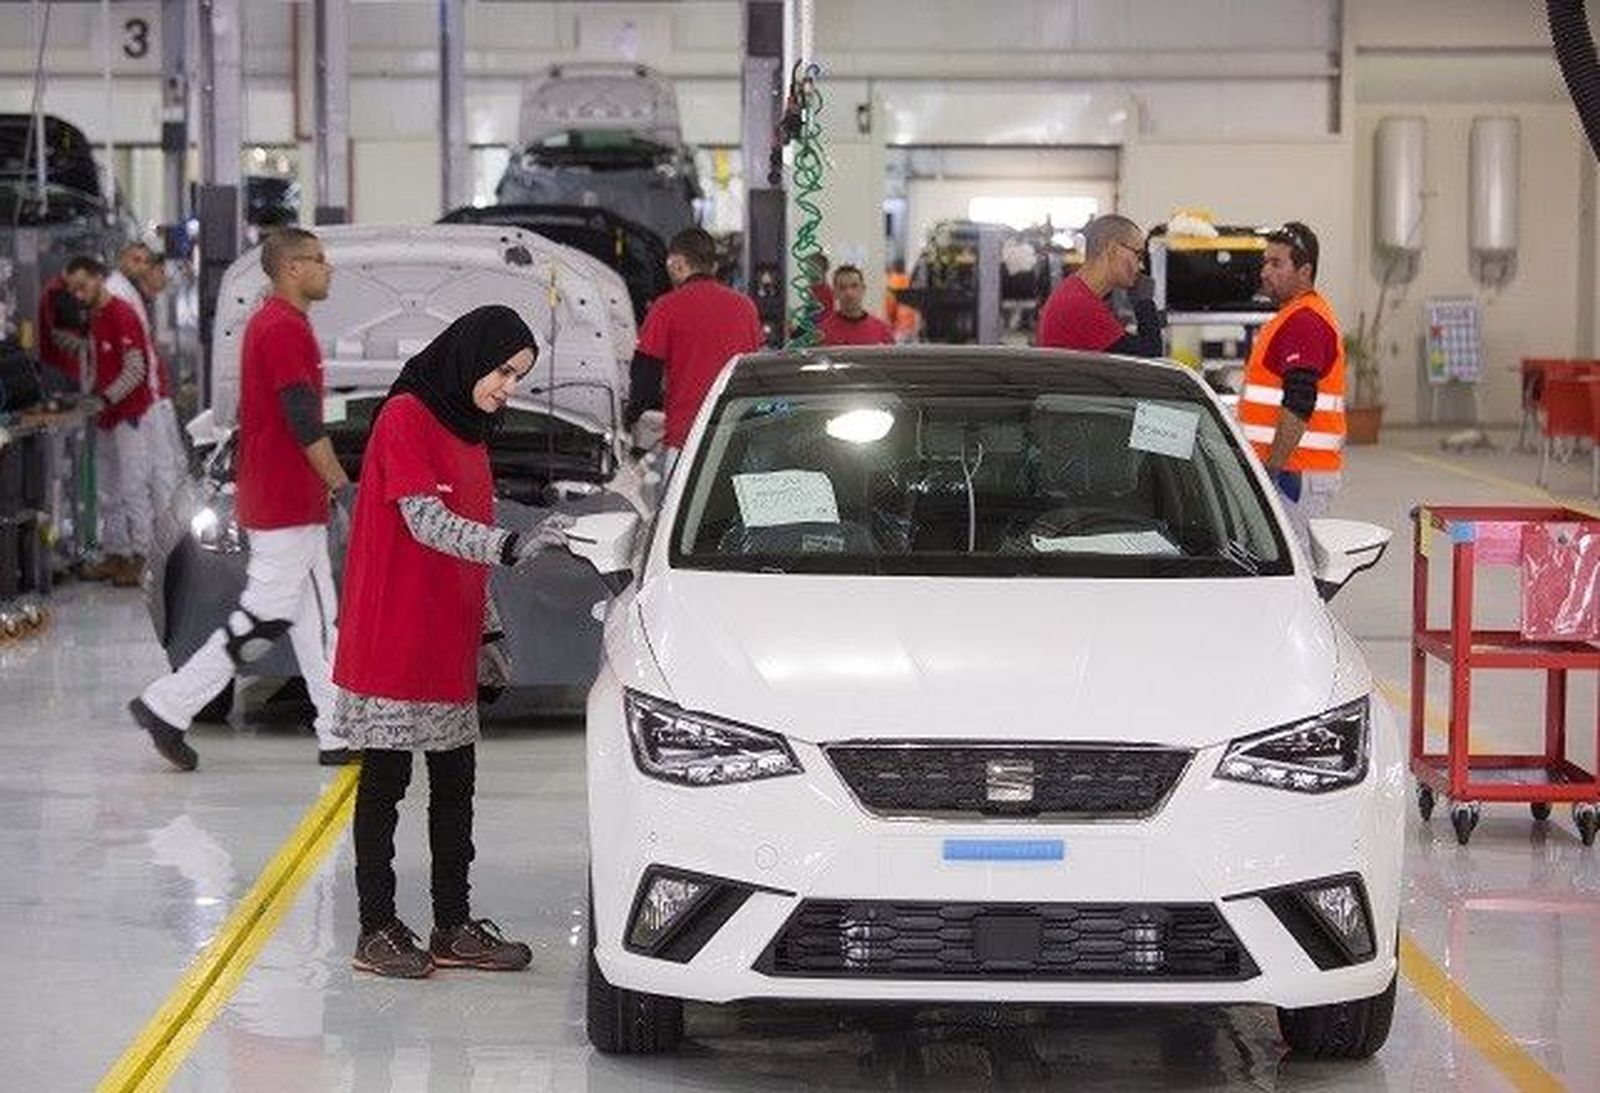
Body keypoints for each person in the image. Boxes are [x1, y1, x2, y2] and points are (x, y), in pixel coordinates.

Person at [331, 305, 573, 978]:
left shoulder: (473, 434)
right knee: (385, 782)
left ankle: (452, 923)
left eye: (518, 377)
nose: (508, 388)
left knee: (455, 785)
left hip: (447, 635)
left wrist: (488, 630)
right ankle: (375, 927)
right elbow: (425, 520)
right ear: (471, 356)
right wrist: (511, 545)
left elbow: (464, 541)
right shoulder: (405, 416)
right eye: (502, 371)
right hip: (392, 635)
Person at [129, 228, 354, 770]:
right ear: (292, 269)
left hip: (284, 500)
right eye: (319, 261)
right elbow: (304, 422)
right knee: (268, 614)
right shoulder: (283, 330)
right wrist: (344, 485)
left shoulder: (278, 324)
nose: (329, 269)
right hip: (286, 502)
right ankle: (168, 704)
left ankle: (336, 730)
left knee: (315, 617)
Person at [625, 227, 763, 474]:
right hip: (739, 439)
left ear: (677, 264)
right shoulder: (746, 308)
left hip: (685, 441)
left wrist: (630, 416)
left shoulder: (666, 307)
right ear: (713, 265)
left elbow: (645, 377)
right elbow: (756, 370)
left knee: (679, 511)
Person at [1237, 221, 1345, 536]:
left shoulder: (1305, 322)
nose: (1265, 272)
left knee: (1297, 575)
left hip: (1292, 475)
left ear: (1304, 271)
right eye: (1264, 263)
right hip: (1293, 470)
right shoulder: (1292, 316)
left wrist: (1272, 470)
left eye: (1276, 263)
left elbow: (1299, 402)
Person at [66, 254, 157, 588]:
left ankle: (143, 557)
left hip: (129, 415)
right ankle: (115, 553)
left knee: (134, 487)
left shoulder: (122, 313)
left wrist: (104, 398)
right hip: (106, 417)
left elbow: (135, 370)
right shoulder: (96, 316)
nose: (78, 294)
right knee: (109, 490)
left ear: (98, 277)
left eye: (82, 285)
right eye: (73, 289)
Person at [108, 242, 186, 516]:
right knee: (153, 472)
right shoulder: (121, 296)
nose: (163, 278)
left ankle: (167, 538)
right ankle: (159, 544)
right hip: (140, 401)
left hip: (153, 395)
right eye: (138, 261)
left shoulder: (139, 298)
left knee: (168, 467)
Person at [1036, 214, 1162, 356]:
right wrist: (1144, 302)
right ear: (1113, 249)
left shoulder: (1074, 291)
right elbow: (1152, 358)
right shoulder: (1079, 304)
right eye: (1138, 255)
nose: (1141, 266)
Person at [819, 264, 894, 346]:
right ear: (835, 293)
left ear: (863, 289)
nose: (849, 293)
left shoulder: (882, 331)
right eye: (842, 287)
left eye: (854, 286)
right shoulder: (823, 332)